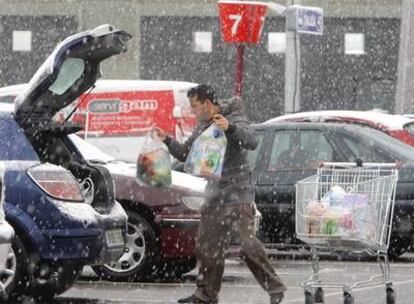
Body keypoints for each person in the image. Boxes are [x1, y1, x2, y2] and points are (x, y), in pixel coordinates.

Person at [154, 84, 286, 304]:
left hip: (238, 192)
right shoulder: (202, 126)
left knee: (247, 245)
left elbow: (251, 141)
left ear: (207, 103)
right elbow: (186, 154)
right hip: (215, 195)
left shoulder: (233, 114)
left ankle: (275, 287)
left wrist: (230, 128)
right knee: (207, 247)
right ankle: (205, 295)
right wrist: (166, 140)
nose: (193, 112)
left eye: (195, 107)